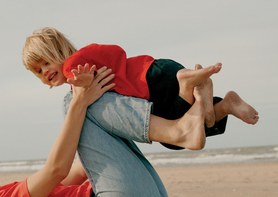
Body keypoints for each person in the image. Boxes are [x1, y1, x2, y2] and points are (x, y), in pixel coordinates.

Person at [0, 66, 212, 197]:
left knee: (86, 102)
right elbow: (56, 170)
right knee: (72, 101)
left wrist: (102, 122)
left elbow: (76, 172)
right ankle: (179, 131)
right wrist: (79, 101)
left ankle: (185, 111)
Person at [22, 27, 260, 150]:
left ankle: (191, 84)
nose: (45, 71)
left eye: (46, 62)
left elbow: (84, 81)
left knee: (175, 137)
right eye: (38, 71)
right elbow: (115, 51)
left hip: (150, 84)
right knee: (191, 128)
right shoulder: (89, 56)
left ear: (60, 53)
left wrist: (83, 83)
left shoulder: (73, 68)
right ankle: (220, 102)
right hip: (160, 70)